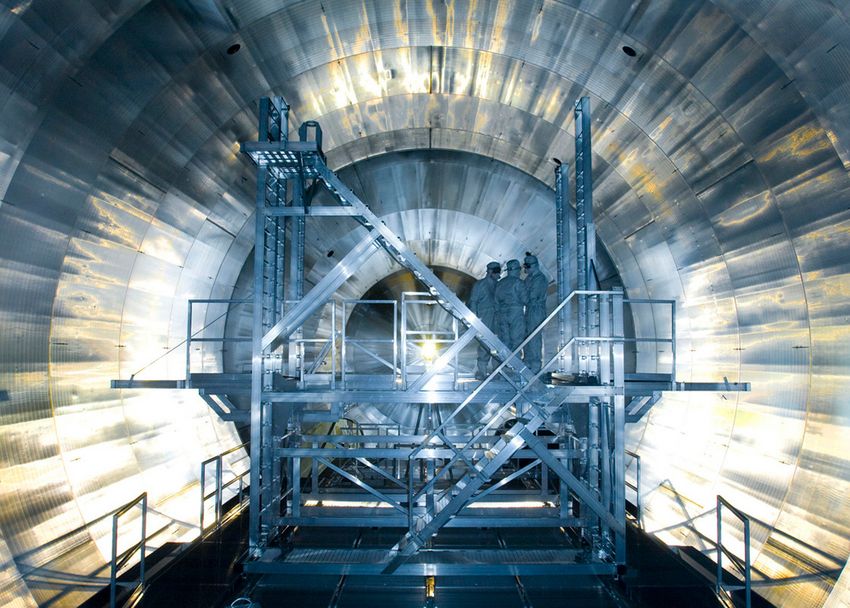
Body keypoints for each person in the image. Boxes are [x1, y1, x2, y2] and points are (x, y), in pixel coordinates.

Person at [468, 261, 501, 379]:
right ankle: (482, 371)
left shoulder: (499, 285)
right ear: (490, 272)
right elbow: (473, 301)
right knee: (484, 344)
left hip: (497, 316)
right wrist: (474, 319)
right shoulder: (480, 285)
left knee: (498, 343)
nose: (499, 275)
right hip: (484, 316)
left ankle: (497, 371)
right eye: (497, 272)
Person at [494, 259, 527, 360]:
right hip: (516, 313)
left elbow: (496, 301)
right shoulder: (519, 283)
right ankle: (515, 366)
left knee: (504, 340)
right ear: (516, 270)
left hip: (502, 314)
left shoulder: (500, 283)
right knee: (516, 340)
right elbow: (525, 300)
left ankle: (504, 366)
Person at [523, 254, 548, 373]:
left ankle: (535, 365)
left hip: (536, 310)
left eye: (527, 266)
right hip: (529, 309)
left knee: (534, 337)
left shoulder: (540, 279)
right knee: (527, 337)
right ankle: (527, 361)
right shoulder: (529, 278)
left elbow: (531, 296)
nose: (525, 269)